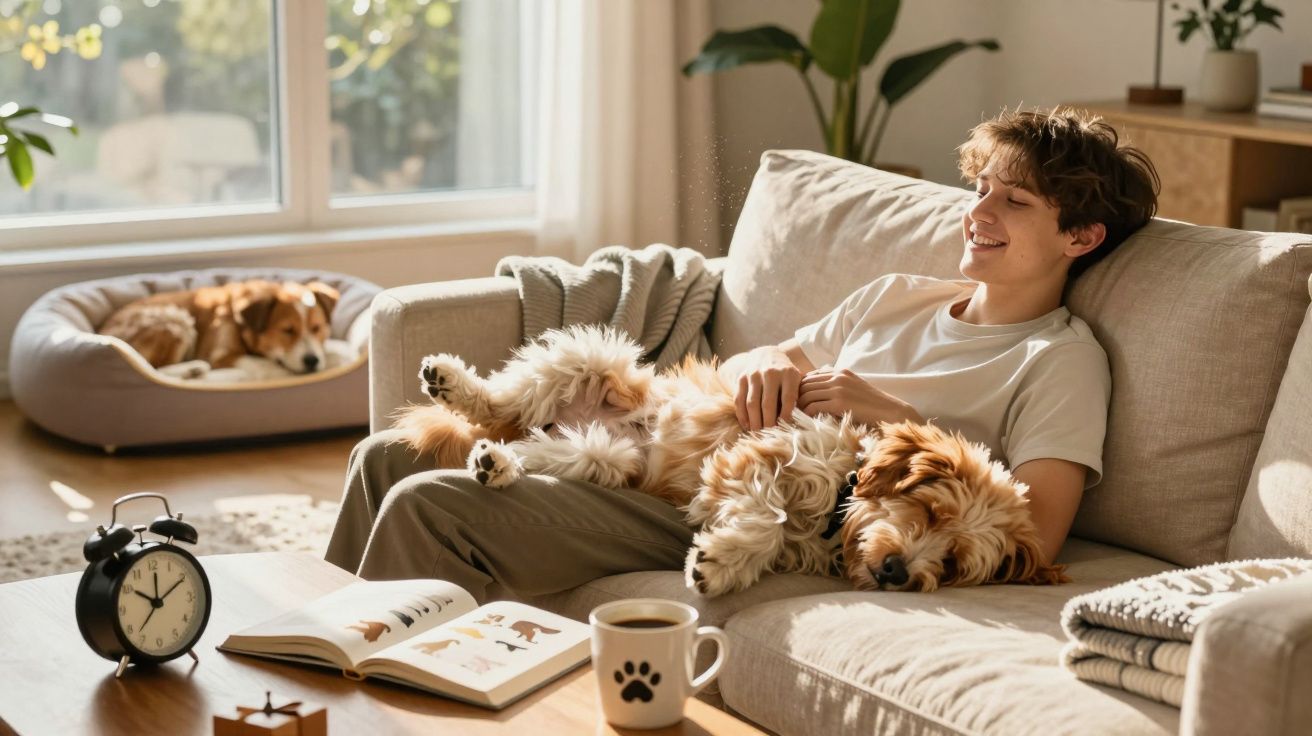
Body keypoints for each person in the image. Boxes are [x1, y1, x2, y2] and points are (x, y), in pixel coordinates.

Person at [324, 107, 1159, 601]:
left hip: (744, 513)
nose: (980, 212)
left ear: (1080, 236)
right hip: (697, 442)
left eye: (1013, 202)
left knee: (433, 505)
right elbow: (766, 364)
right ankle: (313, 655)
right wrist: (763, 364)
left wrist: (893, 417)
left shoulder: (1061, 360)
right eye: (980, 189)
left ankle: (374, 697)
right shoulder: (898, 293)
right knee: (384, 457)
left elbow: (1036, 533)